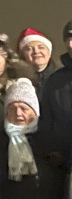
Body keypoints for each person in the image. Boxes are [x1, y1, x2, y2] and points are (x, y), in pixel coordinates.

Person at [39, 20, 72, 166]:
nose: (71, 44)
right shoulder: (55, 81)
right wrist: (52, 150)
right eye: (68, 39)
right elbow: (47, 118)